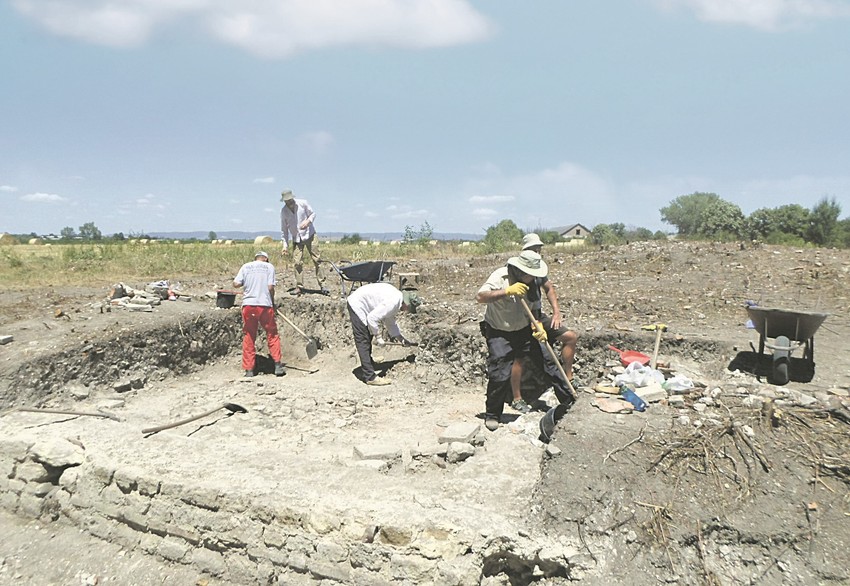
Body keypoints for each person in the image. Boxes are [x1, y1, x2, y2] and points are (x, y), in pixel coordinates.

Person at [476, 250, 574, 431]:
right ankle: (493, 414)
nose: (535, 278)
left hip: (523, 329)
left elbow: (534, 310)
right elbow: (480, 297)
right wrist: (506, 291)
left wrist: (539, 328)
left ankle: (569, 402)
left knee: (549, 362)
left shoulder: (533, 282)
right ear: (522, 271)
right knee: (500, 371)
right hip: (500, 331)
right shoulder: (500, 276)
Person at [521, 233, 581, 388]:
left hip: (538, 315)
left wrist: (556, 312)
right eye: (534, 249)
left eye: (538, 249)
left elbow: (548, 288)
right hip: (522, 320)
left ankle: (569, 377)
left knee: (570, 337)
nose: (537, 252)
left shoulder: (539, 268)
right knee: (543, 355)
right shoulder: (518, 269)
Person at [346, 283, 421, 386]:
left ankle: (369, 362)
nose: (406, 311)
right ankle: (370, 376)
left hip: (363, 302)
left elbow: (389, 321)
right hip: (357, 304)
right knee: (363, 339)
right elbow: (371, 318)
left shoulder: (397, 299)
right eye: (408, 309)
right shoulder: (393, 302)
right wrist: (378, 337)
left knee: (368, 333)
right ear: (407, 304)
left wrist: (400, 338)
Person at [233, 251, 285, 377]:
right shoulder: (269, 267)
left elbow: (236, 284)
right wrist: (272, 303)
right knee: (272, 334)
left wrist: (248, 281)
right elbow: (270, 287)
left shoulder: (246, 266)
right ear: (266, 259)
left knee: (249, 336)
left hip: (249, 305)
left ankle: (249, 370)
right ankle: (277, 365)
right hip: (265, 305)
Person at [280, 189, 326, 296]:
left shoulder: (302, 203)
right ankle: (299, 287)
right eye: (287, 201)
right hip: (296, 238)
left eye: (290, 200)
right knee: (297, 262)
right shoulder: (284, 212)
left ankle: (323, 284)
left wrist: (308, 222)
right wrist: (285, 246)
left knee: (317, 259)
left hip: (309, 235)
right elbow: (284, 231)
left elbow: (313, 214)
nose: (289, 203)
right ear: (284, 201)